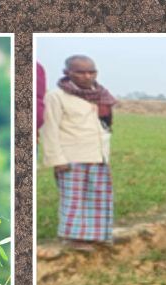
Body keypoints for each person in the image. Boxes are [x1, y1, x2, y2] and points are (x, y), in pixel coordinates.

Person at [40, 55, 117, 252]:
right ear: (67, 73)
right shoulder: (56, 96)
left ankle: (97, 236)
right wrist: (57, 160)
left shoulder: (101, 95)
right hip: (71, 156)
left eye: (91, 72)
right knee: (74, 199)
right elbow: (50, 130)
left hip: (98, 155)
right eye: (80, 72)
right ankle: (72, 238)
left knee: (99, 196)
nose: (86, 76)